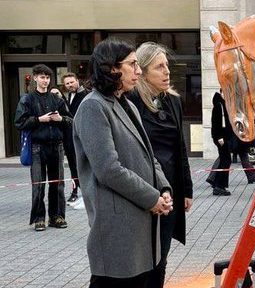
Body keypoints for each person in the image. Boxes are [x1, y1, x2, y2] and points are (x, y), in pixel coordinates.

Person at [72, 38, 173, 288]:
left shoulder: (127, 104)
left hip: (140, 225)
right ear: (112, 68)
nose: (139, 71)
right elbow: (109, 169)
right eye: (132, 64)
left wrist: (164, 188)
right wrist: (152, 199)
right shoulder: (93, 107)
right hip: (117, 228)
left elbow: (149, 157)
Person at [127, 42, 194, 288]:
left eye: (167, 65)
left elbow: (180, 148)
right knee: (143, 258)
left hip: (170, 189)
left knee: (161, 256)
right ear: (142, 71)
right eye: (159, 67)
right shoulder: (131, 101)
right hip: (143, 190)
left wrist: (186, 189)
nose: (167, 72)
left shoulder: (172, 100)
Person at [14, 64, 72, 231]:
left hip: (57, 146)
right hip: (37, 147)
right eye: (42, 77)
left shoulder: (57, 100)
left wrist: (60, 119)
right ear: (35, 78)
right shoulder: (27, 99)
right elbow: (19, 122)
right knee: (38, 184)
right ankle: (39, 218)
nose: (45, 81)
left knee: (58, 184)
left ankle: (57, 216)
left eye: (47, 78)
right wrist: (39, 119)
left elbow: (71, 121)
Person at [209, 90, 255, 196]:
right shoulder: (219, 106)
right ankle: (218, 186)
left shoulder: (225, 105)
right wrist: (219, 137)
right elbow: (216, 123)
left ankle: (218, 185)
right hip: (222, 138)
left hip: (227, 137)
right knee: (225, 161)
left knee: (225, 161)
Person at [62, 72, 89, 202]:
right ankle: (74, 191)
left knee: (83, 165)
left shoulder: (87, 95)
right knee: (73, 166)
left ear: (77, 81)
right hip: (69, 138)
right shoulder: (68, 96)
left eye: (72, 82)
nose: (70, 85)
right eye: (67, 83)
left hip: (82, 138)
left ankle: (86, 192)